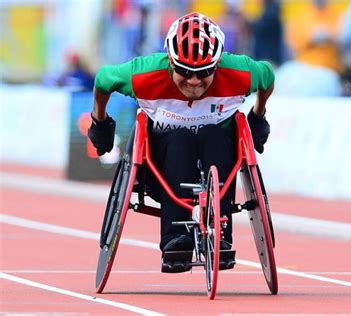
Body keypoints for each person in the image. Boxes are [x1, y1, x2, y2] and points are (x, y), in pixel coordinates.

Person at [87, 12, 274, 263]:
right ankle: (176, 238)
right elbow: (102, 80)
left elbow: (268, 76)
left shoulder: (239, 72)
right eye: (185, 71)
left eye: (204, 72)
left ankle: (221, 234)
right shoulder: (144, 75)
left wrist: (258, 116)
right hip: (161, 169)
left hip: (218, 156)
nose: (194, 81)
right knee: (180, 138)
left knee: (214, 135)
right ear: (171, 63)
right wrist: (100, 123)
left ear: (217, 64)